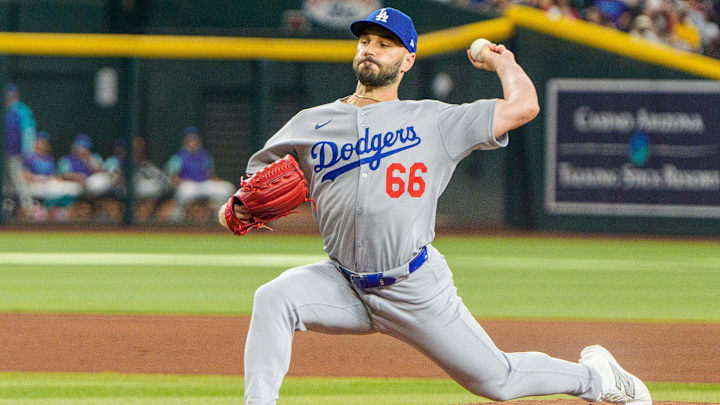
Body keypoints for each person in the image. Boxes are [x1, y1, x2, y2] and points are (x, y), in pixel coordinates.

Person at [220, 7, 651, 405]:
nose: (371, 49)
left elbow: (524, 107)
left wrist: (503, 62)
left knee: (498, 381)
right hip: (342, 281)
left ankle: (597, 378)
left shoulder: (435, 120)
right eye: (365, 40)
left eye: (384, 44)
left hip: (412, 286)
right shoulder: (310, 123)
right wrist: (235, 211)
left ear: (407, 60)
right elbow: (247, 194)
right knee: (275, 298)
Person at [165, 126, 233, 222]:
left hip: (204, 184)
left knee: (227, 189)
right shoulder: (178, 157)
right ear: (185, 142)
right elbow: (171, 178)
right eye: (190, 140)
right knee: (184, 192)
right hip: (189, 185)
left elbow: (211, 175)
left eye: (195, 139)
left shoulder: (205, 156)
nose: (193, 142)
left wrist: (218, 181)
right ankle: (176, 221)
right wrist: (180, 182)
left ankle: (219, 219)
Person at [21, 131, 82, 221]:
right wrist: (39, 178)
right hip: (34, 185)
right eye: (40, 141)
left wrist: (57, 179)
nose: (42, 144)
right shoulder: (29, 158)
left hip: (49, 184)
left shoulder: (50, 159)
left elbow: (55, 176)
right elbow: (23, 176)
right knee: (54, 190)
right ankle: (45, 210)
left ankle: (55, 209)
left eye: (44, 142)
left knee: (73, 188)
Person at [3, 83, 36, 216]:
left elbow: (28, 132)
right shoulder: (5, 110)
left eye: (12, 94)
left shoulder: (22, 111)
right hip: (5, 153)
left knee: (19, 180)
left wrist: (27, 152)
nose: (9, 97)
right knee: (7, 182)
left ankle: (29, 208)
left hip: (17, 154)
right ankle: (7, 208)